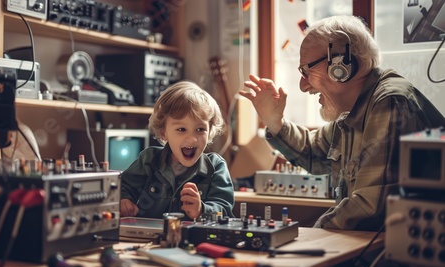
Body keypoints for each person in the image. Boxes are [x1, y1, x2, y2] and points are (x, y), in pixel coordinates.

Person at [240, 15, 445, 231]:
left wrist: (312, 236)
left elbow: (368, 207)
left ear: (342, 65)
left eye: (306, 71)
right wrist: (274, 121)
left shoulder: (389, 102)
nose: (303, 85)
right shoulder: (350, 113)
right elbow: (313, 152)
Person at [120, 81, 235, 221]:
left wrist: (201, 210)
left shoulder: (216, 167)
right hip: (149, 240)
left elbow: (225, 210)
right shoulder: (148, 160)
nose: (192, 139)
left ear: (210, 131)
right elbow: (121, 187)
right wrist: (124, 200)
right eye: (181, 129)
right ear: (163, 133)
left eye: (200, 129)